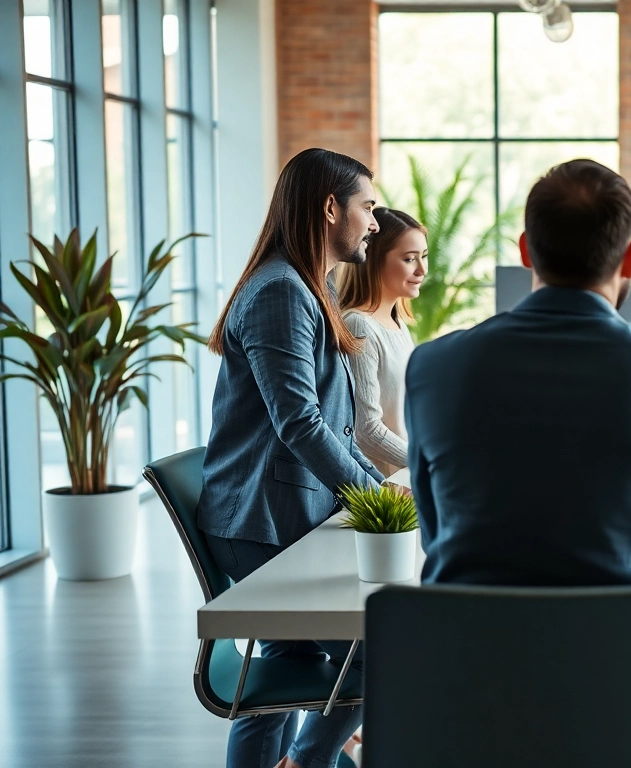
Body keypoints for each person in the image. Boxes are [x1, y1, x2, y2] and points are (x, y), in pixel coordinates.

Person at [405, 159, 631, 768]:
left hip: (472, 703)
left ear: (526, 250)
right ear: (628, 260)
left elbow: (438, 535)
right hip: (627, 706)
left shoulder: (433, 367)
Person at [198, 147, 386, 768]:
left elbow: (329, 425)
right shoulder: (281, 290)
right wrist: (376, 497)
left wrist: (375, 489)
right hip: (258, 521)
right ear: (331, 208)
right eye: (368, 207)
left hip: (279, 514)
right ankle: (308, 762)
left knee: (288, 664)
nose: (375, 223)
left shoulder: (305, 285)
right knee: (379, 649)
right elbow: (300, 422)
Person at [337, 207, 426, 476]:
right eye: (409, 259)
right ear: (375, 259)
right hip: (380, 487)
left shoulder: (399, 325)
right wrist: (427, 464)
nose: (422, 270)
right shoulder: (359, 325)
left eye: (424, 256)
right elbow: (366, 430)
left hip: (405, 481)